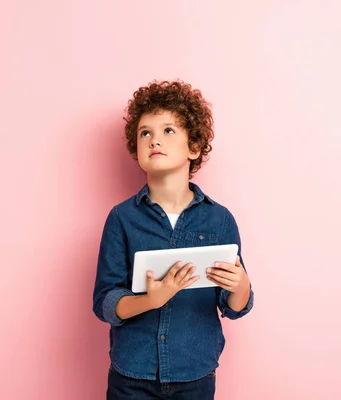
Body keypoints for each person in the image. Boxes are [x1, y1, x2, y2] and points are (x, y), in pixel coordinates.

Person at [92, 80, 254, 400]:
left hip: (195, 376)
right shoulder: (121, 219)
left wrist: (241, 285)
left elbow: (233, 307)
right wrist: (151, 300)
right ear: (136, 148)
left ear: (193, 148)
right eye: (145, 132)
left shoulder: (220, 221)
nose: (154, 140)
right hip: (131, 377)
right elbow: (105, 303)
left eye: (168, 131)